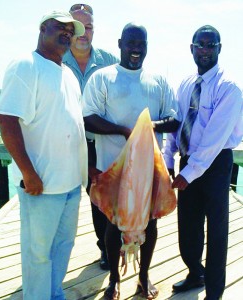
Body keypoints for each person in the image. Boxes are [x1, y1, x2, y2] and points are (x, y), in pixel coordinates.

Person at [82, 22, 180, 300]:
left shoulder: (158, 81)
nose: (136, 49)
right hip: (113, 167)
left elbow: (173, 119)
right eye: (131, 43)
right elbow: (88, 117)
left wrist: (148, 127)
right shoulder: (103, 77)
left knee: (150, 222)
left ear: (146, 47)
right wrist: (125, 131)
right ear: (120, 43)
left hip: (148, 168)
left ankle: (144, 275)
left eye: (141, 44)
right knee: (114, 222)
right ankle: (113, 279)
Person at [0, 10, 87, 300]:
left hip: (72, 185)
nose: (66, 33)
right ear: (42, 28)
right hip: (42, 185)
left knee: (63, 246)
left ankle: (54, 294)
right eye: (59, 27)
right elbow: (7, 120)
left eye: (70, 30)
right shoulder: (26, 65)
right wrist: (28, 173)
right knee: (38, 253)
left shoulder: (69, 75)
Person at [164, 25, 243, 300]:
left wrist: (189, 173)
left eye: (211, 45)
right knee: (188, 225)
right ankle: (194, 271)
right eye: (201, 45)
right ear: (192, 48)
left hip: (217, 163)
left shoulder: (229, 87)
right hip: (188, 161)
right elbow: (178, 125)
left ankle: (214, 292)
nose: (205, 50)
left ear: (220, 48)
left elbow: (213, 139)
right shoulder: (186, 84)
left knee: (217, 230)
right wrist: (169, 160)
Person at [63, 3, 119, 270]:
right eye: (78, 27)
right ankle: (55, 256)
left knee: (102, 197)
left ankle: (107, 248)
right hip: (68, 144)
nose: (83, 33)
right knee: (68, 198)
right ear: (67, 28)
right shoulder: (56, 59)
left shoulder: (110, 61)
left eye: (89, 27)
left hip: (101, 142)